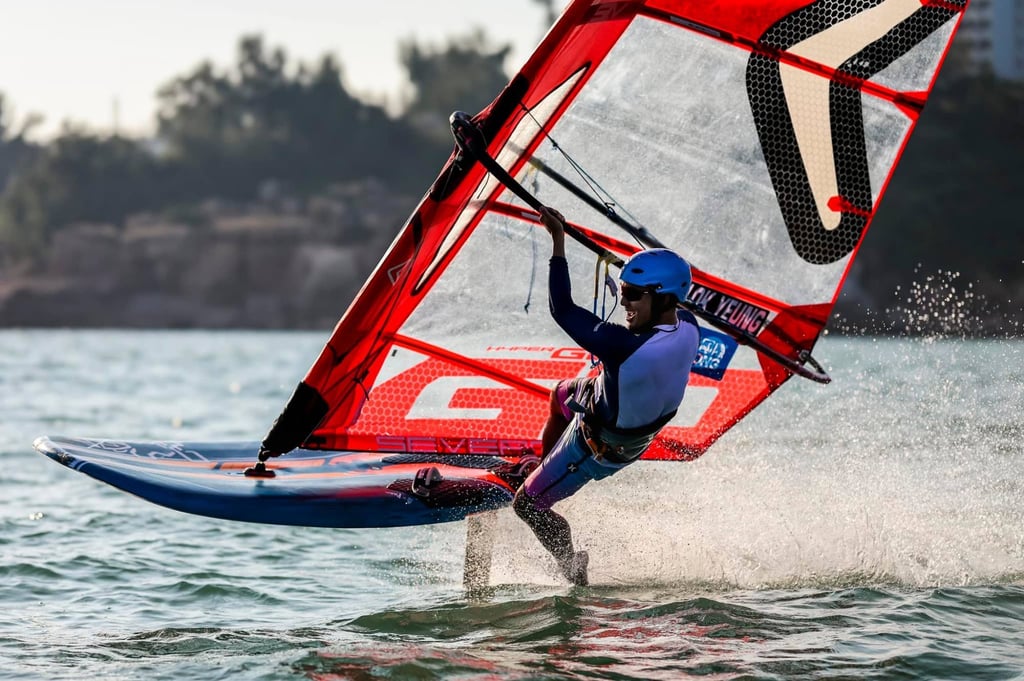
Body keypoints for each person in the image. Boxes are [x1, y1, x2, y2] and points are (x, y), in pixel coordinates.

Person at [513, 206, 700, 586]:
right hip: (606, 402)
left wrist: (558, 241)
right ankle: (541, 465)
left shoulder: (625, 346)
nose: (625, 303)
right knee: (560, 395)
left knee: (527, 505)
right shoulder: (690, 325)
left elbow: (562, 309)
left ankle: (572, 564)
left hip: (599, 447)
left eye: (632, 295)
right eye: (623, 290)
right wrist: (633, 274)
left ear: (663, 299)